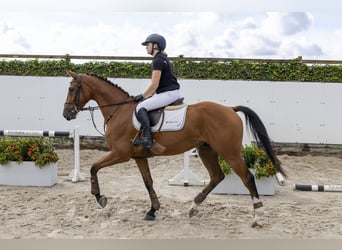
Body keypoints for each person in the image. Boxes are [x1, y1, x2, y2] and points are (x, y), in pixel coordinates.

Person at [133, 33, 181, 148]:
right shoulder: (163, 58)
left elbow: (154, 84)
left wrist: (142, 95)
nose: (146, 47)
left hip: (168, 94)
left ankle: (148, 138)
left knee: (140, 107)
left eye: (147, 44)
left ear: (155, 45)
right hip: (170, 93)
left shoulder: (157, 60)